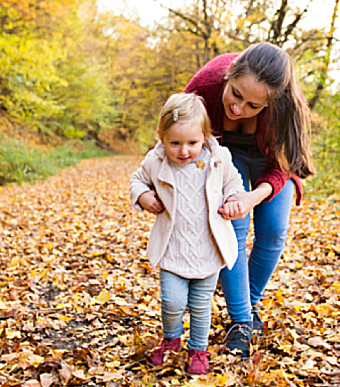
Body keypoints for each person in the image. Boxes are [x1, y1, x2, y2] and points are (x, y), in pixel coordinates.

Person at [183, 42, 316, 358]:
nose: (239, 108)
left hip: (271, 162)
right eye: (236, 94)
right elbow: (176, 128)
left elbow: (283, 164)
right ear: (229, 75)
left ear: (271, 102)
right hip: (228, 157)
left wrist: (254, 197)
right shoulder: (204, 87)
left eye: (253, 105)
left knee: (273, 231)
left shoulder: (286, 107)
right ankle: (241, 320)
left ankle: (249, 301)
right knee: (234, 227)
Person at [129, 93, 245, 374]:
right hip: (174, 247)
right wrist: (144, 196)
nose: (183, 151)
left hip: (207, 247)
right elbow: (137, 180)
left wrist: (234, 199)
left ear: (204, 135)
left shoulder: (218, 159)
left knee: (201, 304)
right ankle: (171, 340)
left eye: (192, 143)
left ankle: (198, 350)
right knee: (172, 300)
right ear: (161, 137)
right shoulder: (157, 161)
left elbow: (234, 184)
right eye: (175, 143)